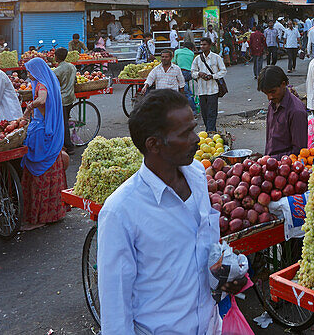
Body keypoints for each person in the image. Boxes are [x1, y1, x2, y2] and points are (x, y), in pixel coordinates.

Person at [98, 89, 245, 334]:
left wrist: (224, 274)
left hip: (211, 326)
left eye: (194, 128)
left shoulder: (198, 175)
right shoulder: (120, 211)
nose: (197, 138)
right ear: (154, 144)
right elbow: (115, 311)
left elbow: (205, 248)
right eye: (186, 133)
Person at [20, 57, 68, 231]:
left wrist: (28, 109)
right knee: (51, 169)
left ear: (36, 72)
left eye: (29, 71)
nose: (27, 74)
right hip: (49, 132)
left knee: (39, 173)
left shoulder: (41, 85)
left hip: (41, 133)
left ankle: (39, 217)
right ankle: (53, 213)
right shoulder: (49, 81)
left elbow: (41, 100)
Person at [261, 66, 309, 157]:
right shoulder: (272, 104)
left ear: (284, 84)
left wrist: (271, 159)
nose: (269, 97)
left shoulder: (296, 111)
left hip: (285, 167)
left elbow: (299, 151)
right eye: (266, 93)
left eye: (273, 92)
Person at [192, 37, 227, 134]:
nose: (202, 46)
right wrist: (199, 74)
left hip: (213, 90)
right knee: (204, 114)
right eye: (201, 44)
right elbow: (193, 72)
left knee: (212, 113)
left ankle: (209, 133)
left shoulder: (216, 57)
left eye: (204, 44)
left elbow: (223, 71)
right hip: (202, 90)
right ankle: (211, 132)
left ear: (210, 45)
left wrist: (213, 76)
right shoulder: (198, 59)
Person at [53, 47, 77, 153]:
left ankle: (69, 146)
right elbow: (75, 80)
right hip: (70, 97)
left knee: (63, 123)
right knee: (65, 120)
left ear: (56, 57)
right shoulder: (72, 66)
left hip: (62, 99)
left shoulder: (57, 71)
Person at [174, 41, 197, 108]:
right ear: (190, 48)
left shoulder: (177, 51)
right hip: (189, 73)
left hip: (181, 73)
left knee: (185, 92)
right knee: (186, 88)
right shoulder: (191, 53)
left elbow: (174, 62)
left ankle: (193, 110)